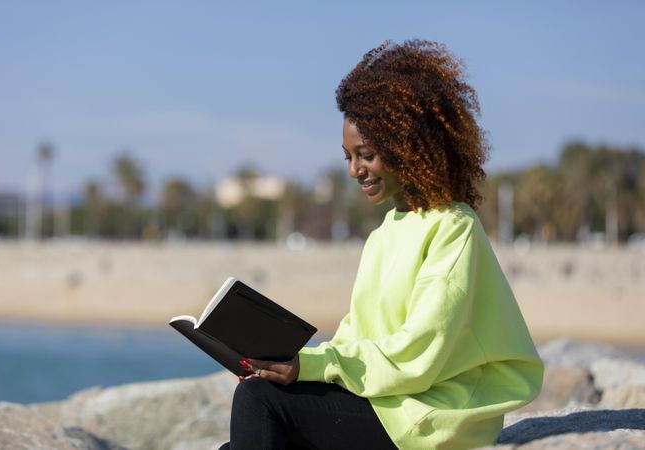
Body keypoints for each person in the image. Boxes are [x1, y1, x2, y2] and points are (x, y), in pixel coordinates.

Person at [218, 39, 543, 450]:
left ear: (406, 146)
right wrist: (287, 364)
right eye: (348, 157)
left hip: (434, 414)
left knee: (257, 401)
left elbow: (419, 353)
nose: (355, 170)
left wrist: (315, 366)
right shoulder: (385, 233)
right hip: (388, 402)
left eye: (366, 155)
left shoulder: (454, 228)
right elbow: (357, 336)